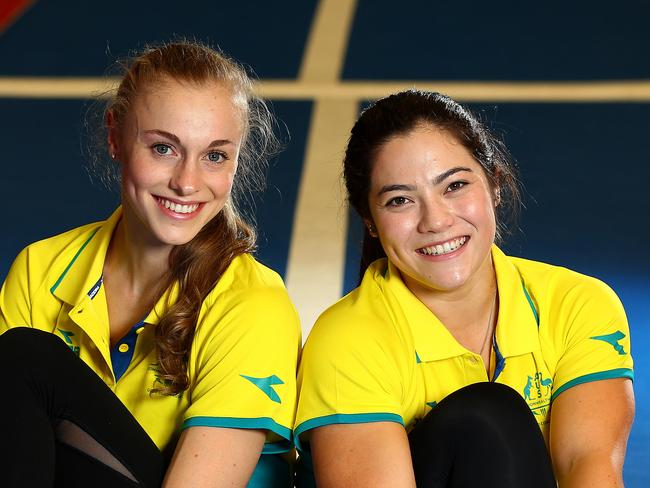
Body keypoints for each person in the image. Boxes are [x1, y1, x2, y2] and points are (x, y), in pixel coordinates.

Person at [294, 90, 634, 487]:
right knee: (488, 417)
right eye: (400, 200)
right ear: (370, 221)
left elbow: (588, 467)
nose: (435, 220)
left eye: (454, 186)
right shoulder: (347, 340)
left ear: (495, 185)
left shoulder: (577, 304)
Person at [0, 41, 301, 487]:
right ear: (115, 137)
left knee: (28, 361)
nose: (186, 182)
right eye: (163, 148)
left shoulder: (254, 305)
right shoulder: (40, 267)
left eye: (214, 156)